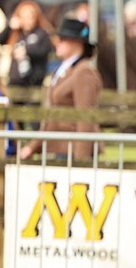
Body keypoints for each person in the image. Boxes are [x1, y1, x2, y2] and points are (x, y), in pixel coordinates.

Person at [18, 18, 103, 161]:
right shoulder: (63, 69)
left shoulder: (84, 72)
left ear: (77, 42)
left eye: (63, 38)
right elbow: (52, 118)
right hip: (59, 148)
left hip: (73, 151)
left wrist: (81, 159)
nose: (57, 42)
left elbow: (85, 119)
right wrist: (32, 147)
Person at [0, 0, 53, 90]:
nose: (27, 21)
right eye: (23, 17)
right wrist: (9, 27)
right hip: (15, 81)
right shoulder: (17, 34)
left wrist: (26, 50)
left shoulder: (42, 33)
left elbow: (45, 50)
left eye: (30, 17)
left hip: (33, 82)